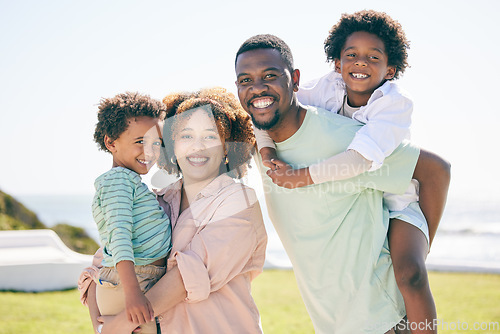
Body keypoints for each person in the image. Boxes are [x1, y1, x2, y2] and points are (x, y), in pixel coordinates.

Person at [235, 34, 450, 333]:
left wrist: (423, 242)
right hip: (331, 324)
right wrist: (265, 147)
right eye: (245, 80)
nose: (257, 87)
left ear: (294, 79)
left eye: (270, 76)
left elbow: (435, 170)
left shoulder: (348, 137)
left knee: (411, 274)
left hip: (385, 321)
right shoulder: (261, 132)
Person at [79, 87, 267, 334]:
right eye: (186, 136)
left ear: (226, 148)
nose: (197, 147)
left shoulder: (240, 201)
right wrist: (101, 325)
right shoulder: (158, 200)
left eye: (210, 137)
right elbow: (101, 263)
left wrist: (121, 324)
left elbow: (187, 276)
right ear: (173, 146)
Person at [91, 92, 172, 333]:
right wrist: (133, 292)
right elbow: (119, 235)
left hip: (140, 280)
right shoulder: (118, 180)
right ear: (111, 143)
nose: (150, 151)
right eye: (140, 141)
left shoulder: (130, 181)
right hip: (132, 284)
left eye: (156, 143)